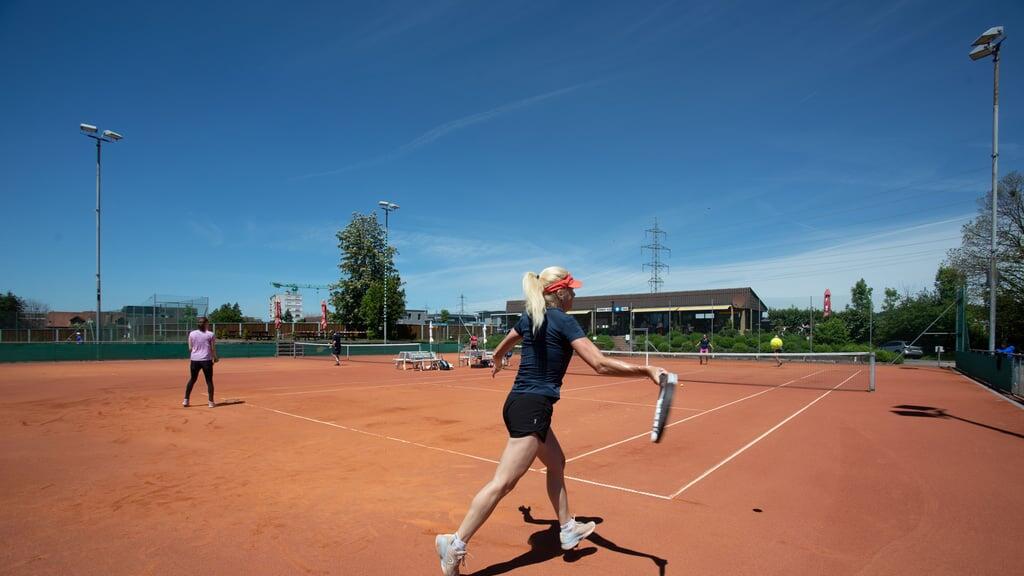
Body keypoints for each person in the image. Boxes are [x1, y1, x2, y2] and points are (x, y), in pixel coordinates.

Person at [434, 267, 667, 576]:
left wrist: (499, 360)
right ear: (560, 292)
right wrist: (646, 370)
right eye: (572, 289)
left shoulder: (531, 317)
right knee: (503, 482)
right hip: (532, 407)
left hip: (520, 404)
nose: (575, 294)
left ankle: (567, 528)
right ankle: (454, 544)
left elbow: (504, 344)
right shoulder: (563, 320)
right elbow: (599, 363)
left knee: (557, 463)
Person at [183, 317, 218, 408]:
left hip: (194, 360)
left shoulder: (192, 333)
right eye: (207, 323)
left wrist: (196, 352)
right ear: (206, 324)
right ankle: (211, 402)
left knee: (192, 379)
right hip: (206, 360)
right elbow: (212, 348)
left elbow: (190, 348)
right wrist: (215, 357)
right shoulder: (210, 334)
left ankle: (186, 400)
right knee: (209, 381)